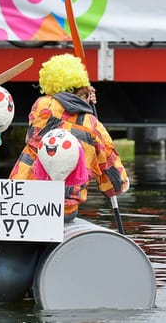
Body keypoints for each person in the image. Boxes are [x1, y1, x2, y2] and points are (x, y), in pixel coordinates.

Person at [9, 54, 129, 222]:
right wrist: (88, 108)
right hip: (64, 209)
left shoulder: (41, 108)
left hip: (24, 200)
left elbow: (61, 106)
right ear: (84, 91)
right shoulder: (93, 126)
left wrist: (83, 101)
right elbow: (116, 184)